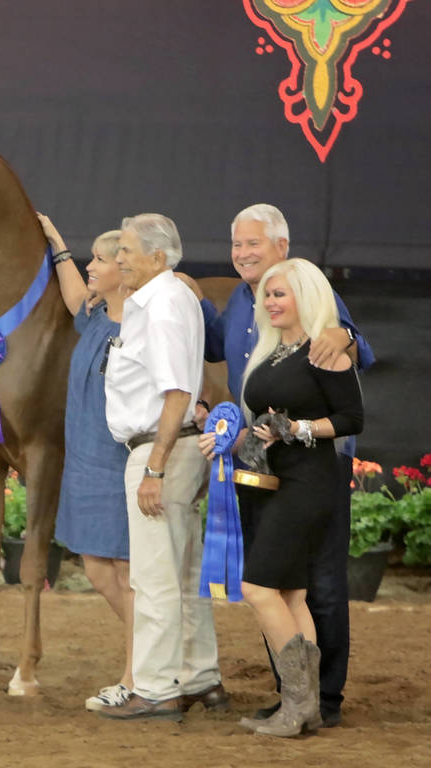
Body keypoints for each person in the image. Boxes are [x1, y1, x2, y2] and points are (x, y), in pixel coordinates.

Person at [179, 203, 373, 727]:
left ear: (281, 248)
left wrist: (346, 337)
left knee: (318, 584)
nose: (242, 253)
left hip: (312, 466)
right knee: (286, 585)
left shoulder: (311, 295)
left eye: (253, 244)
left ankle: (324, 699)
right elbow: (215, 347)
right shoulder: (250, 306)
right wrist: (185, 294)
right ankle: (296, 697)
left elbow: (355, 356)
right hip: (258, 461)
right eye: (236, 244)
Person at [100, 213, 225, 721]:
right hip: (175, 448)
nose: (118, 258)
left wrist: (153, 468)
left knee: (153, 576)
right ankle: (199, 678)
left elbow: (177, 391)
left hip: (160, 451)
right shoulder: (163, 299)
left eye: (126, 249)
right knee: (184, 571)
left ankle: (154, 688)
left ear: (157, 256)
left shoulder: (163, 305)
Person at [37, 214, 135, 712]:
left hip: (118, 459)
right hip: (85, 457)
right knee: (98, 568)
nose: (90, 266)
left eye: (99, 259)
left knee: (123, 569)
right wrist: (57, 241)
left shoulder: (141, 323)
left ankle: (138, 672)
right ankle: (155, 656)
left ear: (126, 267)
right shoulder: (95, 316)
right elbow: (75, 293)